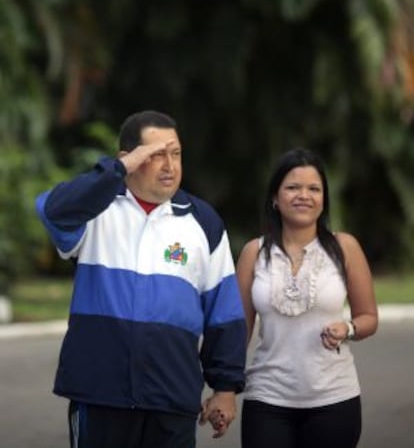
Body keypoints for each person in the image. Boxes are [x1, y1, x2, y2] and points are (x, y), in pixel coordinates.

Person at [35, 110, 247, 448]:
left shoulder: (203, 222)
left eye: (175, 154)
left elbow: (224, 314)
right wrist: (115, 173)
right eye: (156, 154)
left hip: (172, 398)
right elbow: (52, 210)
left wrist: (224, 388)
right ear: (129, 159)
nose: (169, 165)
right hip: (100, 395)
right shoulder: (95, 211)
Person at [236, 147, 378, 448]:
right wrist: (223, 388)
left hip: (334, 398)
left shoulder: (345, 247)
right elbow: (239, 331)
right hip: (267, 398)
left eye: (314, 188)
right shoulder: (254, 253)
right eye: (292, 187)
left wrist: (348, 328)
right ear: (275, 198)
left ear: (323, 199)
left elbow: (369, 318)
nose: (304, 195)